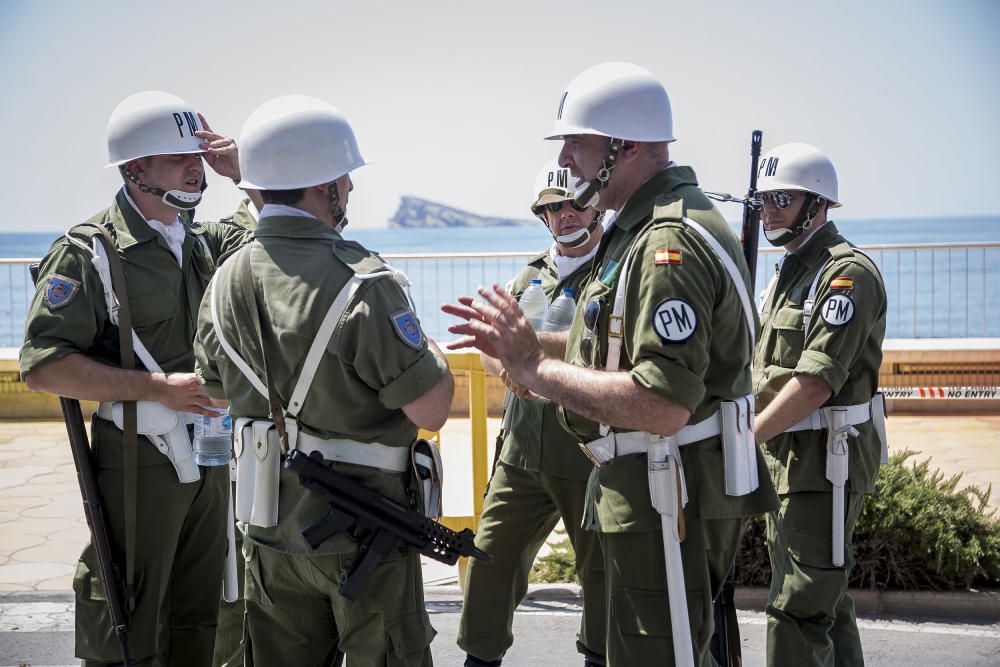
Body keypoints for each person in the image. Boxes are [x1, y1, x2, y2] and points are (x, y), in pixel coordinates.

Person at [444, 61, 778, 666]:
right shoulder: (645, 230)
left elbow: (663, 403)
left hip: (667, 494)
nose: (566, 157)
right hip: (655, 491)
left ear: (626, 146)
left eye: (578, 141)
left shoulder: (663, 243)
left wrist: (535, 371)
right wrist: (523, 347)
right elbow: (601, 349)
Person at [193, 94, 455, 666]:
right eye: (343, 178)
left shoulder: (223, 282)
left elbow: (214, 389)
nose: (351, 190)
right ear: (322, 187)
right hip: (364, 535)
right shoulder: (365, 281)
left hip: (270, 530)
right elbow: (431, 407)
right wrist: (426, 341)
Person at [20, 90, 250, 666]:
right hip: (138, 456)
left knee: (202, 614)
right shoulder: (88, 251)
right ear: (134, 169)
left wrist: (244, 174)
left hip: (211, 453)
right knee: (133, 614)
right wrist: (154, 387)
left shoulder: (200, 240)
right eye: (177, 159)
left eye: (197, 156)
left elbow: (279, 230)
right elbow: (45, 365)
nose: (195, 169)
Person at [458, 161, 607, 667]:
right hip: (521, 453)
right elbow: (488, 347)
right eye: (552, 207)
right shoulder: (529, 275)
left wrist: (531, 357)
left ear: (596, 204)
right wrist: (506, 366)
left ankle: (598, 658)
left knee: (602, 574)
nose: (564, 215)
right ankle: (480, 659)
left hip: (587, 452)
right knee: (488, 561)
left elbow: (609, 345)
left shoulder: (617, 269)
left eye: (573, 204)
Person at [751, 143, 887, 667]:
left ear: (818, 203)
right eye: (763, 199)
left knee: (797, 608)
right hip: (790, 459)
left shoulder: (846, 275)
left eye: (781, 198)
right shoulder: (788, 272)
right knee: (823, 599)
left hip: (825, 464)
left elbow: (814, 383)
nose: (769, 210)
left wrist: (745, 439)